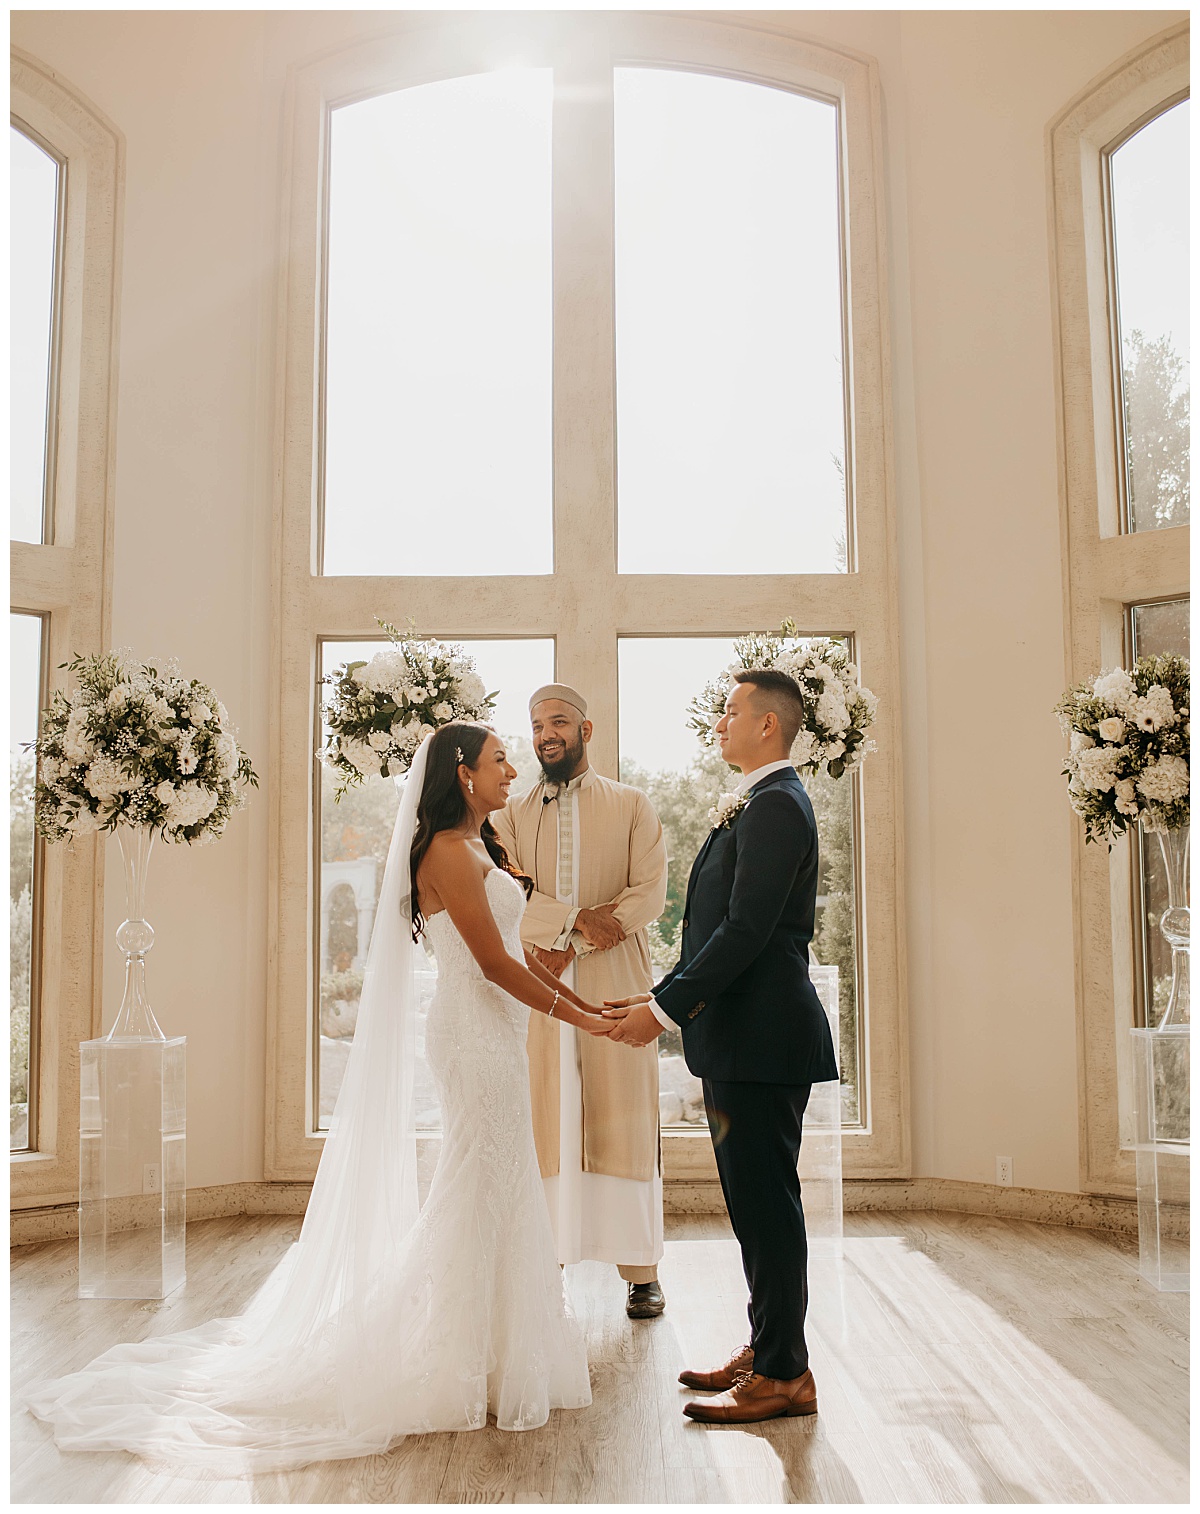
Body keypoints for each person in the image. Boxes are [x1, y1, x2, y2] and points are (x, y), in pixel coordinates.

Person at [26, 722, 615, 1470]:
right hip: (472, 1034)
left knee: (497, 1182)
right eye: (501, 760)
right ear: (463, 773)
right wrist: (583, 1017)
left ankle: (495, 1352)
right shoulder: (442, 850)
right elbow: (493, 965)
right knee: (481, 1181)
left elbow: (515, 955)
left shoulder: (482, 847)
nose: (513, 770)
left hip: (496, 1033)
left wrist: (569, 986)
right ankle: (460, 1357)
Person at [604, 669, 838, 1424]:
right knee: (756, 1207)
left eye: (731, 711)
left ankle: (784, 1375)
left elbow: (746, 932)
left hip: (764, 1041)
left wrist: (664, 1012)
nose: (719, 722)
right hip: (740, 1040)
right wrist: (658, 995)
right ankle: (770, 1346)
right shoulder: (761, 801)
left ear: (768, 725)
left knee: (768, 1209)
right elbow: (712, 931)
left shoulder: (776, 807)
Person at [492, 684, 670, 1318]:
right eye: (538, 724)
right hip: (540, 979)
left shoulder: (630, 804)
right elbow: (504, 887)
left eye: (560, 722)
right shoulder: (508, 816)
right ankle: (548, 1262)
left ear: (586, 731)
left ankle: (642, 1272)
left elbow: (650, 891)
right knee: (550, 1114)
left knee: (623, 1116)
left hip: (617, 976)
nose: (547, 734)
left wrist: (590, 934)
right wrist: (568, 926)